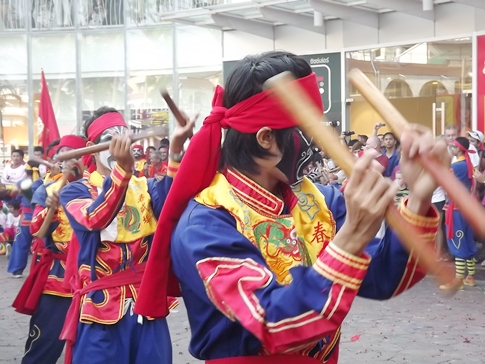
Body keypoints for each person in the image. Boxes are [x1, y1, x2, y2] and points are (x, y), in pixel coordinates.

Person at [135, 51, 447, 363]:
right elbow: (272, 323)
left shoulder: (320, 199)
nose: (323, 143)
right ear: (267, 138)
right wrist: (352, 234)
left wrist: (419, 198)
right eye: (311, 130)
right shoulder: (206, 223)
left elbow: (382, 278)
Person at [58, 106, 194, 364]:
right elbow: (95, 218)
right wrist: (122, 171)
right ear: (92, 146)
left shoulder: (146, 186)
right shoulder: (75, 192)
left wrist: (176, 148)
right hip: (101, 309)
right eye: (110, 139)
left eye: (124, 136)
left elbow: (174, 204)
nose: (121, 144)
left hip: (147, 303)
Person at [12, 135, 86, 364]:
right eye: (62, 157)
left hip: (93, 275)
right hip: (59, 275)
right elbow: (38, 231)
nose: (67, 163)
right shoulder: (46, 188)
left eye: (74, 157)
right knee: (45, 343)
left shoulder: (97, 187)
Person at [442, 137, 478, 290]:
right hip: (467, 206)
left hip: (456, 207)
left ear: (458, 149)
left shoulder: (456, 166)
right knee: (467, 240)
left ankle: (458, 279)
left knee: (457, 241)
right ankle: (470, 276)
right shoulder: (468, 164)